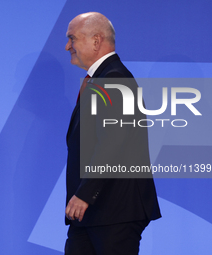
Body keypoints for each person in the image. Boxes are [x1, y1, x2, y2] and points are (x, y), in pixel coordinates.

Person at [64, 12, 161, 255]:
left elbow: (113, 145)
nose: (67, 46)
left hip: (114, 211)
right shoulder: (101, 79)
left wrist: (85, 193)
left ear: (96, 41)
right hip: (93, 212)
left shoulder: (115, 78)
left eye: (72, 39)